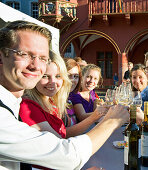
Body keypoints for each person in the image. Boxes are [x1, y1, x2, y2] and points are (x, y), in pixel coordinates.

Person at [0, 20, 129, 169]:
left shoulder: (14, 102)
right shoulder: (18, 108)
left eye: (42, 58)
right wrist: (111, 121)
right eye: (24, 54)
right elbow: (65, 155)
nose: (35, 66)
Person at [64, 57, 82, 125]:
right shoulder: (54, 102)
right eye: (68, 75)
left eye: (76, 76)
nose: (73, 80)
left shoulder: (69, 101)